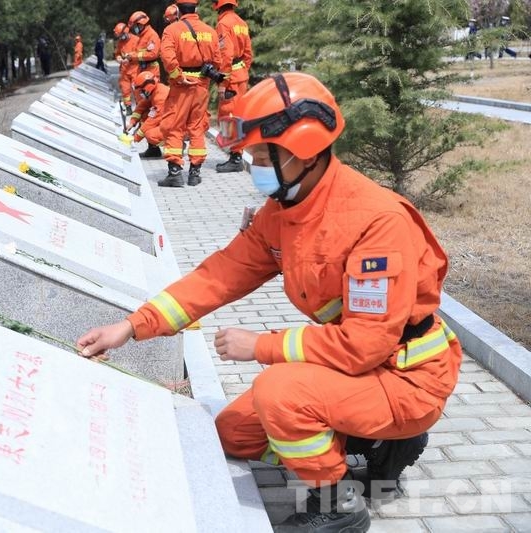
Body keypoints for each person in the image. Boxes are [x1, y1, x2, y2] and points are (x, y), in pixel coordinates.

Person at [77, 72, 462, 533]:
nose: (254, 166)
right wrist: (132, 326)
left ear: (306, 151)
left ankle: (338, 505)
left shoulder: (376, 222)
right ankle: (370, 442)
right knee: (234, 433)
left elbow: (364, 345)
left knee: (280, 394)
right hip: (352, 369)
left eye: (263, 156)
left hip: (405, 377)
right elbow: (219, 276)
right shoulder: (285, 212)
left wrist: (261, 346)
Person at [156, 0, 221, 187]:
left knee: (174, 126)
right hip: (201, 85)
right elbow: (217, 60)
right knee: (197, 127)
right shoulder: (210, 31)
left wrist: (178, 76)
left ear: (177, 10)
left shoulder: (172, 30)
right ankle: (194, 173)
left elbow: (167, 56)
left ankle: (175, 172)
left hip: (181, 86)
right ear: (196, 9)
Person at [213, 0, 252, 173]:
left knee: (228, 117)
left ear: (218, 5)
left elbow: (226, 55)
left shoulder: (223, 23)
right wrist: (243, 70)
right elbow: (248, 53)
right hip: (240, 75)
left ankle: (235, 157)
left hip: (231, 79)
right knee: (238, 115)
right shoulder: (241, 23)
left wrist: (223, 82)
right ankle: (235, 154)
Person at [128, 71, 170, 158]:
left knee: (150, 135)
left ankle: (176, 143)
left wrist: (135, 138)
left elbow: (152, 120)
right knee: (145, 115)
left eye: (141, 89)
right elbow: (141, 106)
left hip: (178, 126)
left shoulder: (160, 97)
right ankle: (153, 151)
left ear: (148, 86)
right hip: (169, 121)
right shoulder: (155, 90)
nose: (141, 92)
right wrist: (132, 122)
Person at [125, 11, 161, 80]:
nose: (134, 29)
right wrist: (130, 57)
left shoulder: (152, 35)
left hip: (151, 72)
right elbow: (138, 52)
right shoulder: (141, 36)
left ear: (141, 24)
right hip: (142, 70)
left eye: (135, 26)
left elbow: (153, 54)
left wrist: (133, 56)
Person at [114, 22, 139, 115]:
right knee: (125, 90)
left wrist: (130, 57)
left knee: (137, 89)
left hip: (135, 69)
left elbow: (141, 53)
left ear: (126, 31)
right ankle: (128, 107)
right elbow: (117, 53)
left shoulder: (136, 40)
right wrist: (118, 58)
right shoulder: (120, 43)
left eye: (121, 35)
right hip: (124, 71)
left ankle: (140, 107)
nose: (121, 37)